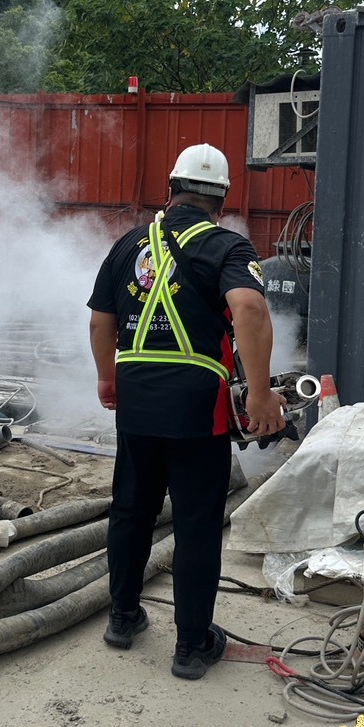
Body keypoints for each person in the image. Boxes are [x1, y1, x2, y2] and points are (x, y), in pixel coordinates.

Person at [87, 143, 286, 679]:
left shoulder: (129, 244)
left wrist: (107, 378)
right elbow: (249, 307)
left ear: (170, 189)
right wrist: (260, 394)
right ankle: (191, 646)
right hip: (197, 406)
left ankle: (122, 619)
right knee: (196, 524)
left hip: (135, 397)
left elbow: (101, 321)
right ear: (222, 200)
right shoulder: (227, 246)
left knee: (131, 510)